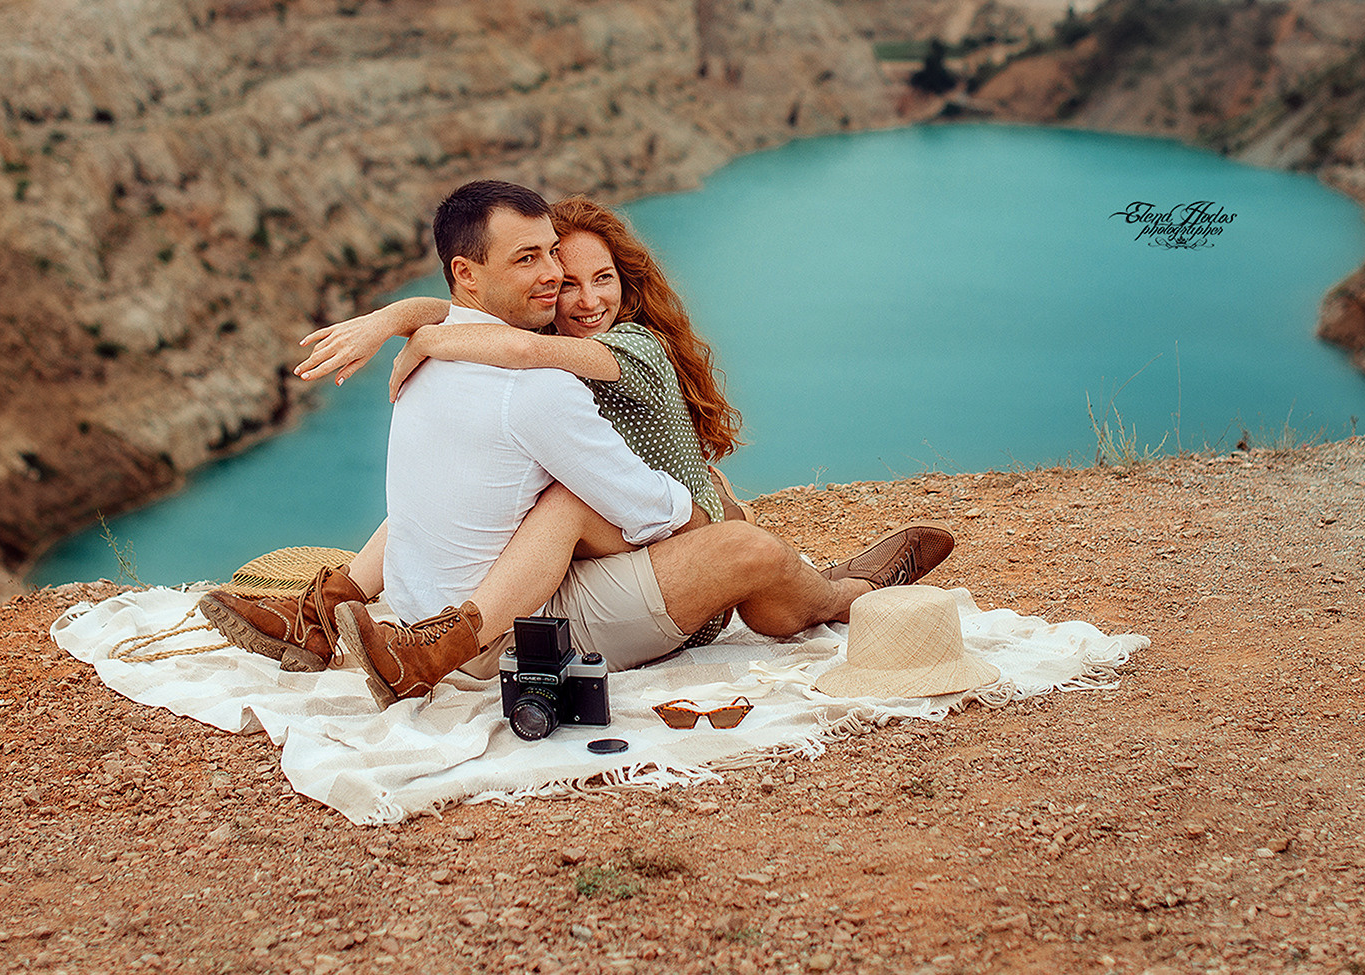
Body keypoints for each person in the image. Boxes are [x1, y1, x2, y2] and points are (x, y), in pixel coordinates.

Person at [200, 180, 954, 707]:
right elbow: (641, 506)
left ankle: (326, 604)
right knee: (730, 545)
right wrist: (698, 519)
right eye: (539, 264)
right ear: (473, 275)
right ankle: (849, 595)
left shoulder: (452, 349)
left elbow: (481, 323)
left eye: (553, 260)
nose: (564, 284)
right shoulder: (533, 377)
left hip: (446, 595)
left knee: (574, 494)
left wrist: (406, 322)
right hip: (508, 626)